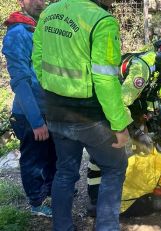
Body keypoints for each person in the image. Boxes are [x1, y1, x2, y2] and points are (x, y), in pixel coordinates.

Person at [32, 0, 133, 230]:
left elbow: (37, 61)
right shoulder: (101, 20)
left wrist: (54, 93)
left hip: (55, 111)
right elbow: (106, 79)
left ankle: (62, 227)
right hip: (90, 116)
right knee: (115, 167)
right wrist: (119, 125)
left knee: (65, 171)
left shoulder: (48, 13)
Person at [87, 39, 161, 217]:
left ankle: (135, 186)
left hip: (126, 107)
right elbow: (121, 103)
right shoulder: (143, 69)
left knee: (139, 148)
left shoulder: (159, 68)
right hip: (108, 107)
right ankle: (95, 200)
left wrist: (150, 118)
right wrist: (134, 131)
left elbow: (149, 95)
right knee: (104, 153)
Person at [2, 0, 56, 217]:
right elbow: (21, 81)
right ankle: (37, 203)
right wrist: (36, 121)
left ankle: (53, 194)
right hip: (29, 113)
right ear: (21, 2)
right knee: (33, 161)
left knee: (52, 156)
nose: (39, 1)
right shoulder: (17, 33)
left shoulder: (40, 28)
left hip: (49, 108)